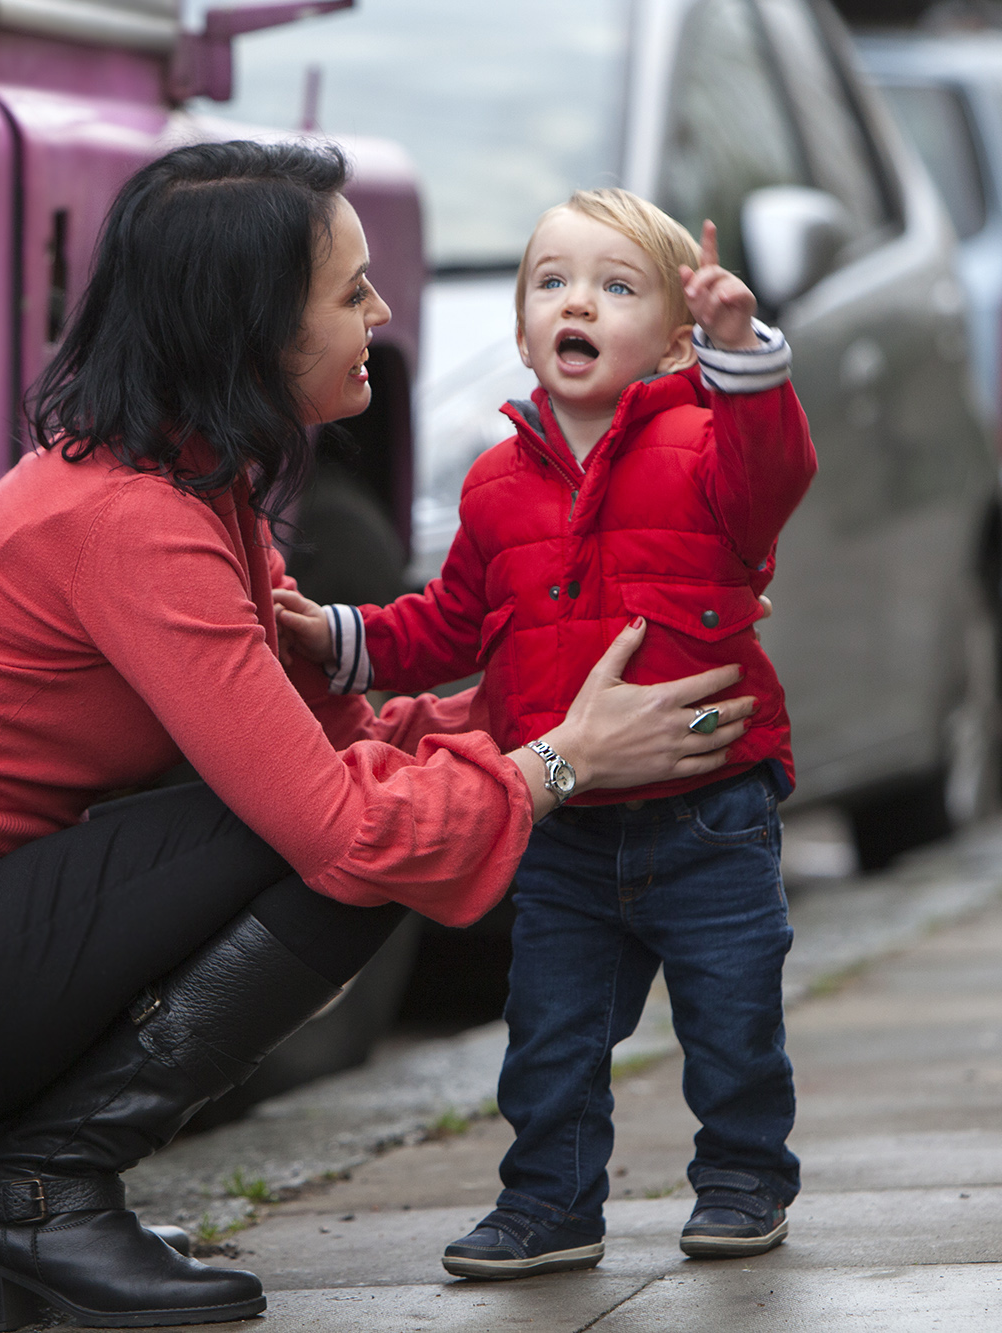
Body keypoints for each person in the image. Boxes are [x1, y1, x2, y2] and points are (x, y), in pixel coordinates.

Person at [0, 145, 758, 1332]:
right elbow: (343, 825)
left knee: (370, 807)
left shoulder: (191, 485)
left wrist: (568, 696)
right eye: (349, 290)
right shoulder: (132, 523)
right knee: (354, 848)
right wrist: (560, 763)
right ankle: (35, 1189)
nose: (378, 311)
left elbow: (352, 733)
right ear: (252, 328)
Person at [276, 188, 817, 1280]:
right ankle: (548, 1203)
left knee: (731, 1020)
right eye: (551, 283)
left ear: (667, 337)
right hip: (566, 828)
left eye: (615, 287)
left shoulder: (707, 449)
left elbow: (776, 477)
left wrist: (739, 351)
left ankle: (743, 1176)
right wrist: (334, 639)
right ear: (522, 328)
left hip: (709, 810)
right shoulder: (494, 485)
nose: (577, 302)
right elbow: (447, 625)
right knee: (550, 1036)